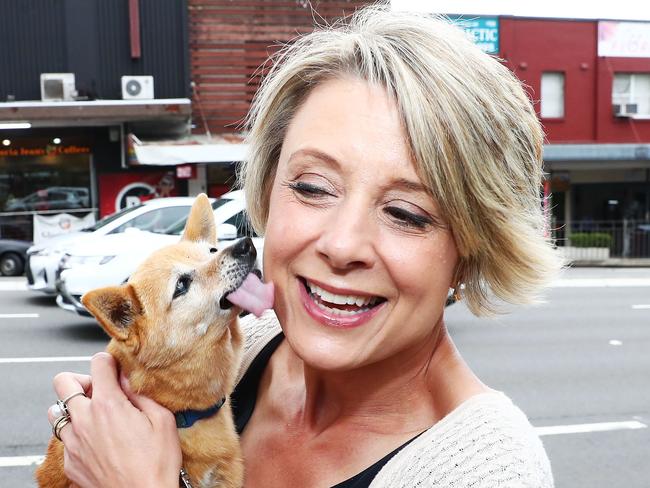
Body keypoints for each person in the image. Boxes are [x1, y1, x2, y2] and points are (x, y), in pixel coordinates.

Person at [48, 4, 562, 487]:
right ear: (269, 187)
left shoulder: (485, 471)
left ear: (474, 249)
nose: (341, 245)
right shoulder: (238, 346)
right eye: (312, 187)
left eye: (406, 213)